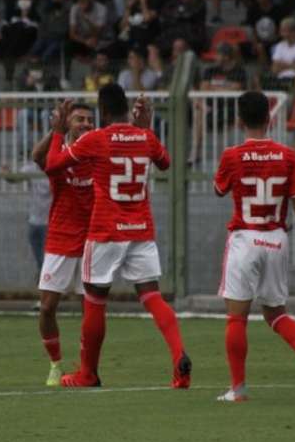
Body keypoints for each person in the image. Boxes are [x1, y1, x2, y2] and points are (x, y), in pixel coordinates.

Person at [45, 84, 191, 389]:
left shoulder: (96, 139)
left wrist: (59, 132)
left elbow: (53, 164)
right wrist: (146, 128)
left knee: (95, 300)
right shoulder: (145, 137)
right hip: (141, 230)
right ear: (128, 108)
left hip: (105, 232)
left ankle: (88, 373)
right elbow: (165, 163)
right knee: (152, 297)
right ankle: (179, 358)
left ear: (102, 110)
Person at [213, 90, 295, 402]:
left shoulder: (232, 155)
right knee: (276, 313)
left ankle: (238, 389)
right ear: (270, 119)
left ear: (239, 120)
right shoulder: (288, 155)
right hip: (277, 240)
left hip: (245, 238)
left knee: (236, 317)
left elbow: (219, 189)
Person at [30, 102, 94, 386]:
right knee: (47, 308)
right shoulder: (58, 153)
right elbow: (37, 157)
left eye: (89, 120)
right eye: (79, 118)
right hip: (60, 238)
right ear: (67, 123)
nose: (86, 124)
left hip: (92, 240)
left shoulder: (96, 152)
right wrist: (54, 131)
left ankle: (87, 367)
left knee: (90, 309)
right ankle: (55, 364)